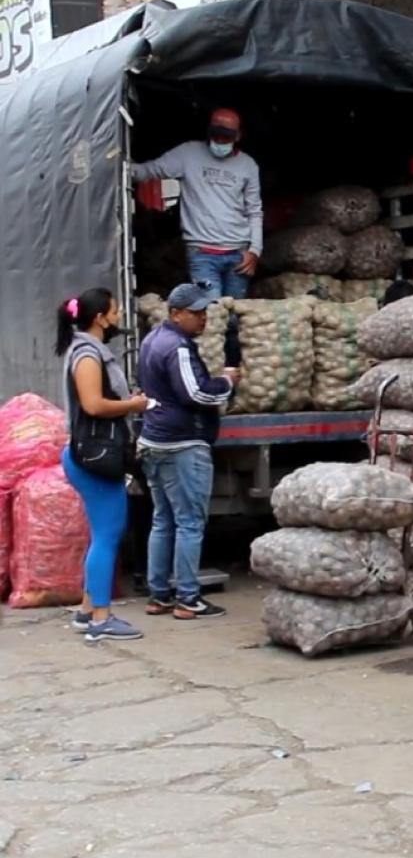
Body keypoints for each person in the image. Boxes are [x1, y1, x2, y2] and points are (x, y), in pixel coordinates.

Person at [138, 284, 240, 619]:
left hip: (155, 440)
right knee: (190, 523)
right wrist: (226, 383)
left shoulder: (151, 340)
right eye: (195, 313)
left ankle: (159, 594)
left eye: (204, 312)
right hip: (181, 443)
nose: (203, 319)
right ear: (175, 313)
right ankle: (187, 597)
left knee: (163, 520)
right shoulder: (177, 346)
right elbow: (195, 394)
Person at [57, 289, 150, 641]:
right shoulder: (87, 354)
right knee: (108, 535)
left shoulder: (88, 350)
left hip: (89, 455)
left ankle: (86, 610)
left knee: (103, 534)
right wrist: (133, 406)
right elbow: (94, 405)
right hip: (94, 457)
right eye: (116, 310)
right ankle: (101, 618)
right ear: (100, 318)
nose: (120, 316)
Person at [131, 108, 263, 303]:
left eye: (226, 137)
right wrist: (120, 164)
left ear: (238, 136)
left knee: (237, 314)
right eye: (216, 135)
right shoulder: (188, 154)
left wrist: (255, 251)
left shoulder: (248, 165)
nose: (219, 142)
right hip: (202, 254)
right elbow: (149, 171)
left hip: (238, 254)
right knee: (210, 315)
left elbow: (254, 211)